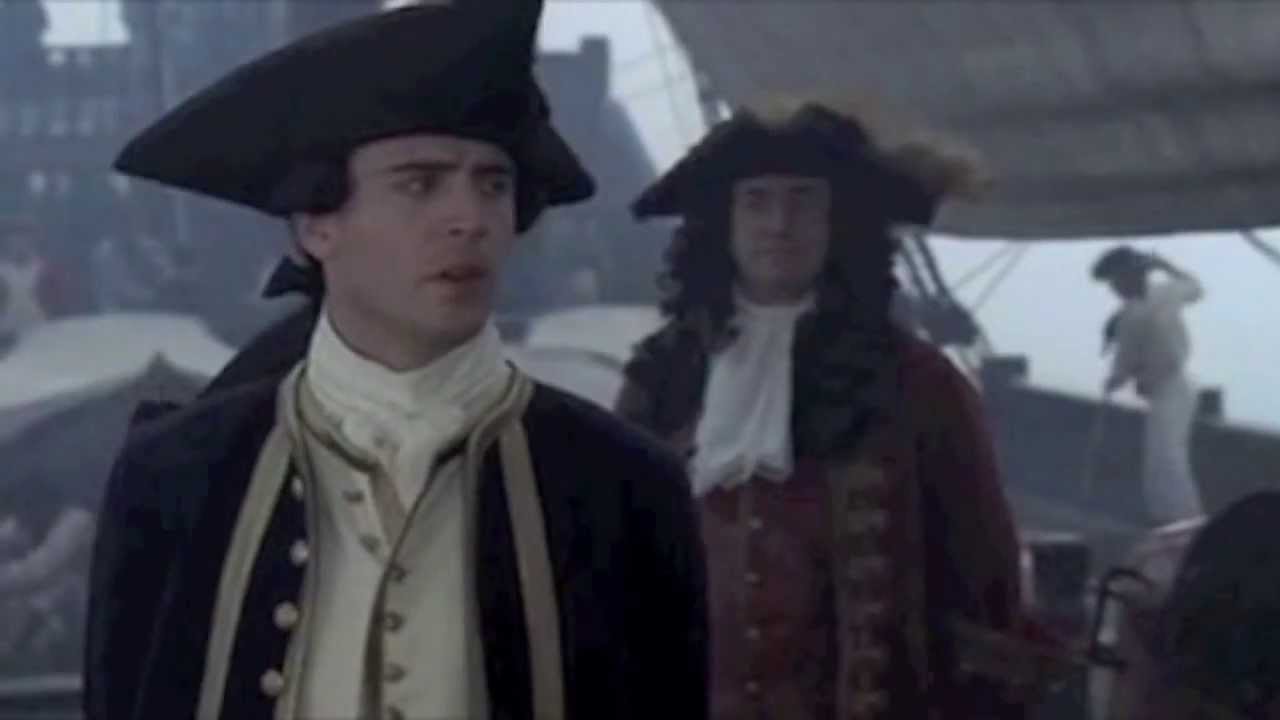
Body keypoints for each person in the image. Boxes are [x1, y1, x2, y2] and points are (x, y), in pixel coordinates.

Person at [84, 4, 707, 720]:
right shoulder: (179, 480)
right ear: (316, 225)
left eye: (493, 184)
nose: (469, 218)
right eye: (420, 183)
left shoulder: (620, 489)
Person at [616, 98, 1036, 719]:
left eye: (803, 201)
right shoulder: (663, 377)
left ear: (838, 222)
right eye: (756, 201)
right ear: (723, 221)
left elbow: (985, 587)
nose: (779, 224)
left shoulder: (920, 385)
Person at [1093, 246, 1205, 525]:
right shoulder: (1128, 315)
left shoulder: (1165, 293)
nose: (1115, 288)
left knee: (1169, 456)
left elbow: (1196, 288)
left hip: (1175, 385)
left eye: (1118, 279)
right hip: (1157, 390)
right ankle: (1164, 518)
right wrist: (1116, 378)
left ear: (1134, 275)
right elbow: (1126, 360)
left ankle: (1189, 519)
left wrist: (1167, 265)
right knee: (1157, 461)